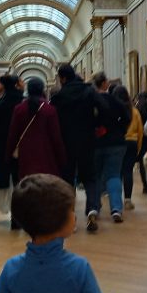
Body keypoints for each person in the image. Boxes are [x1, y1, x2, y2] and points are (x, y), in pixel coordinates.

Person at [50, 64, 103, 231]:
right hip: (87, 141)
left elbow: (54, 121)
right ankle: (92, 209)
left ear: (63, 78)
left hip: (66, 143)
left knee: (67, 180)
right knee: (90, 177)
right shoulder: (89, 91)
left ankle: (70, 216)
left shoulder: (59, 96)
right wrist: (97, 125)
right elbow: (104, 108)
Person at [5, 78, 65, 197]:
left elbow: (13, 134)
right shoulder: (50, 110)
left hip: (25, 155)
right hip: (46, 155)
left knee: (28, 188)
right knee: (45, 189)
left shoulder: (19, 109)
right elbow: (56, 137)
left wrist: (8, 156)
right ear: (42, 90)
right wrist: (62, 158)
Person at [90, 72, 130, 226]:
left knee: (96, 176)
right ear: (105, 83)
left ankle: (94, 207)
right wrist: (120, 131)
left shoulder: (90, 102)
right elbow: (126, 118)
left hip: (95, 143)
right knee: (113, 175)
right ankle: (116, 209)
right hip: (116, 143)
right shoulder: (114, 100)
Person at [0, 74, 23, 217]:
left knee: (4, 174)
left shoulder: (2, 103)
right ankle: (18, 211)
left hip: (2, 143)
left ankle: (11, 208)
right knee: (18, 177)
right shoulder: (21, 100)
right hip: (19, 144)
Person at [116, 85, 144, 209]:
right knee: (128, 171)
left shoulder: (114, 109)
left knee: (117, 173)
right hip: (132, 143)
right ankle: (128, 200)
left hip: (118, 143)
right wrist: (138, 148)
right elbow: (140, 131)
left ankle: (116, 200)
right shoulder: (135, 111)